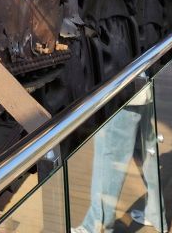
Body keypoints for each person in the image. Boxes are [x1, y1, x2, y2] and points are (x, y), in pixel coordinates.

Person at [71, 86, 165, 233]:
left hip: (120, 94)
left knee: (109, 157)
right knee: (147, 152)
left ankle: (95, 228)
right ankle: (156, 213)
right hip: (141, 88)